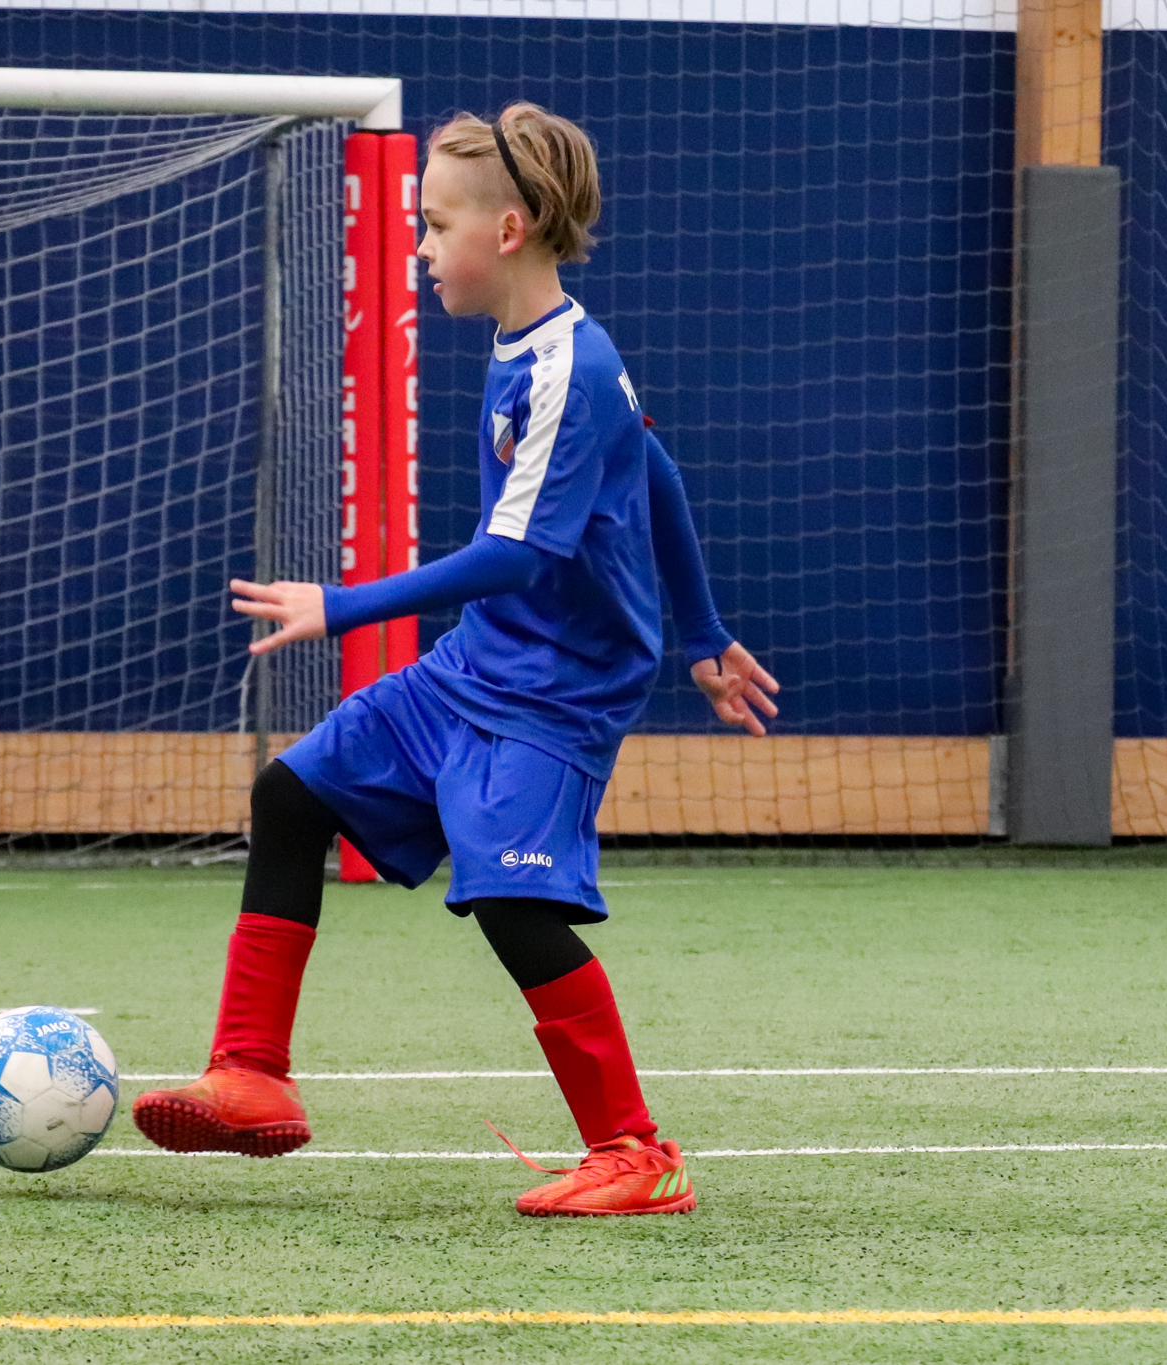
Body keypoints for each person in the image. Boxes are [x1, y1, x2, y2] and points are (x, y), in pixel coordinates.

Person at [132, 102, 779, 1216]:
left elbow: (515, 556)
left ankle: (636, 1152)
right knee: (291, 795)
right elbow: (657, 471)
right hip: (483, 665)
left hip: (558, 692)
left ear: (508, 230)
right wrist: (704, 634)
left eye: (435, 226)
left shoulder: (571, 368)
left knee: (509, 899)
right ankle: (249, 1075)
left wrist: (340, 606)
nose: (422, 248)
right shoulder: (529, 343)